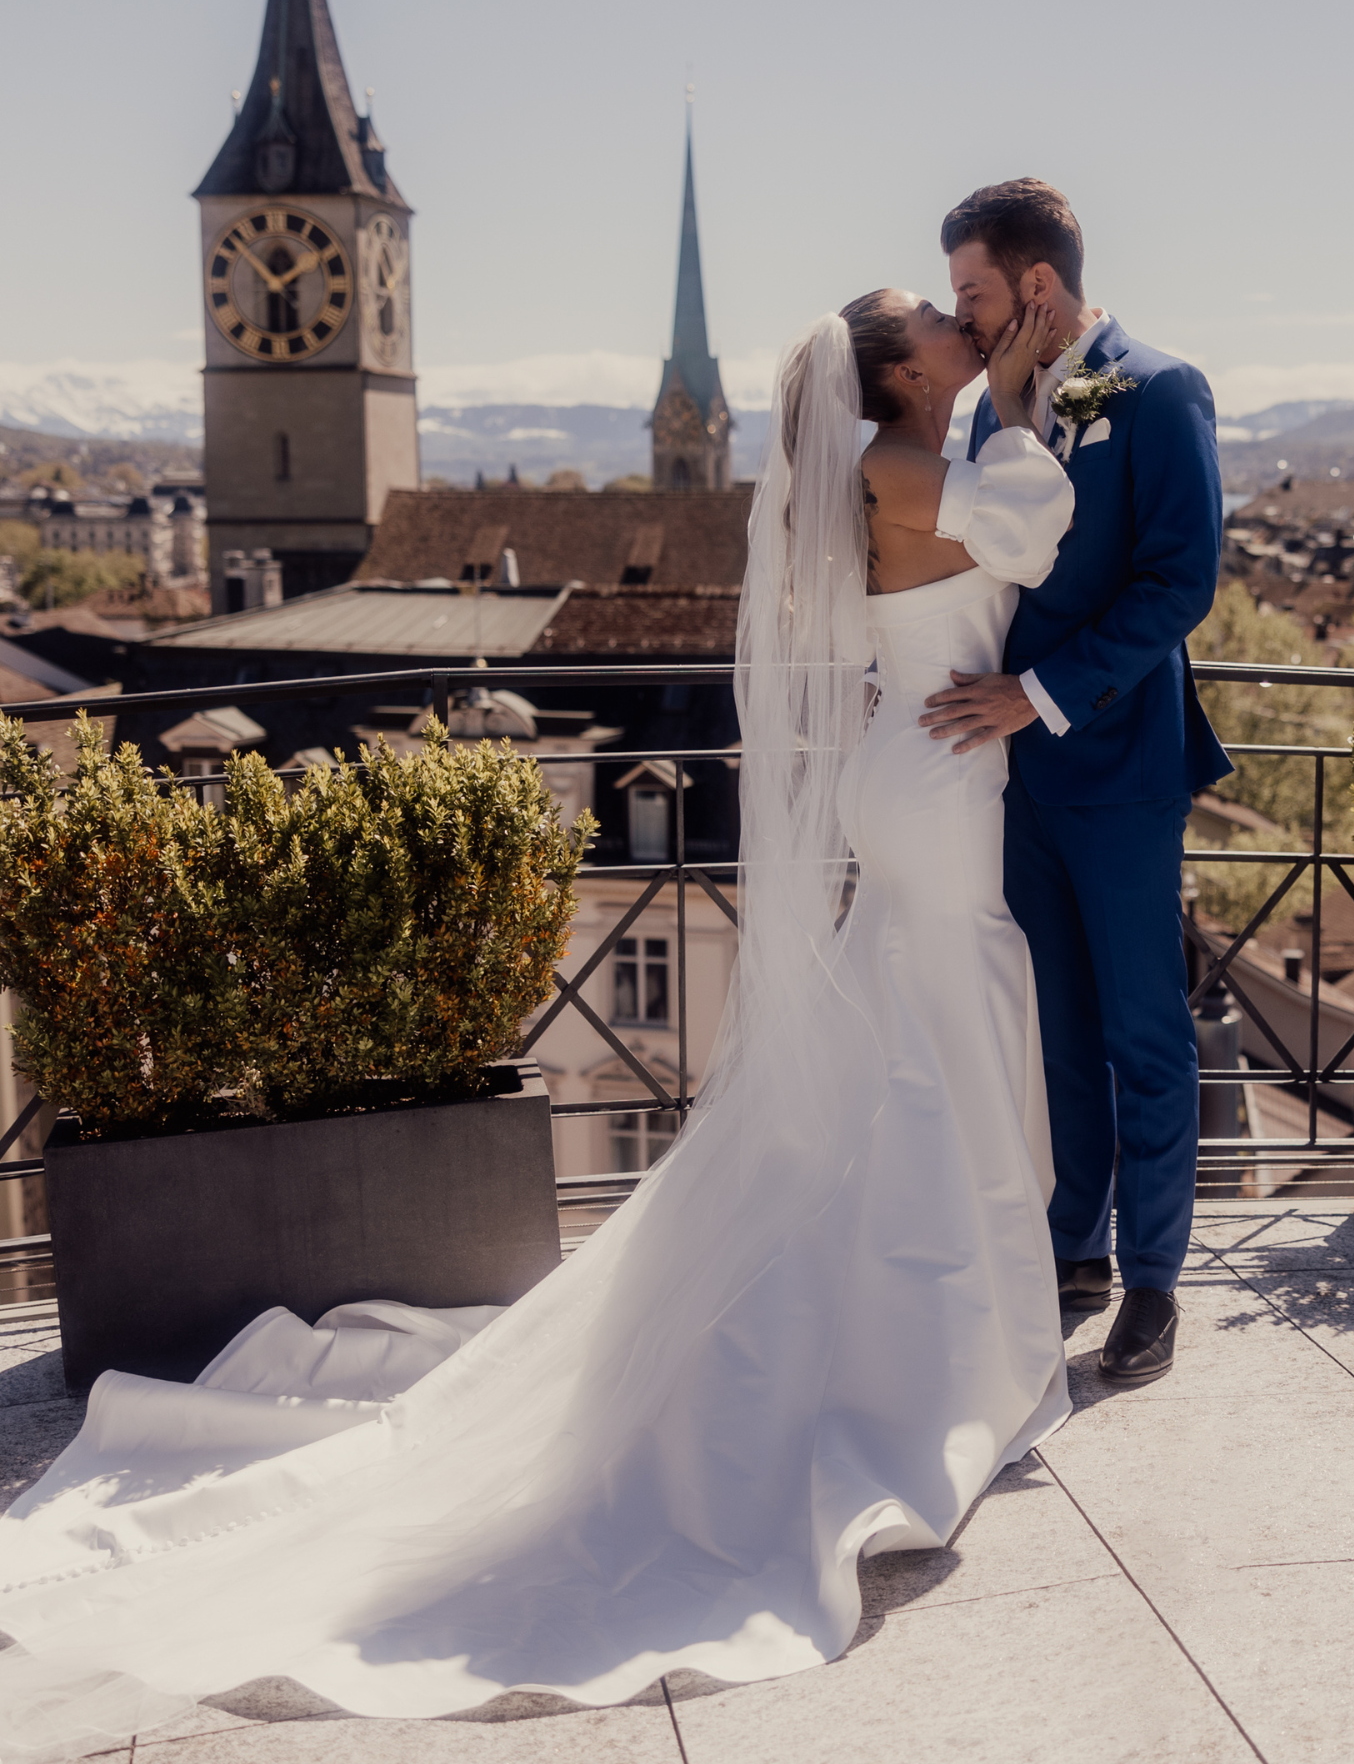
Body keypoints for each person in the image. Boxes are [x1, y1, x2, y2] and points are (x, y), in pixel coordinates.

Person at [0, 299, 1075, 1759]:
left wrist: (1004, 403)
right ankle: (941, 1360)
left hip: (926, 762)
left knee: (921, 1041)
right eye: (942, 320)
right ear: (893, 370)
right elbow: (1033, 534)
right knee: (939, 1033)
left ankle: (943, 1344)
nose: (963, 324)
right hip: (936, 781)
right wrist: (1022, 399)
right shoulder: (897, 460)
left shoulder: (895, 459)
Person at [921, 179, 1230, 1387]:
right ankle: (1072, 1248)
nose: (961, 312)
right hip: (1010, 777)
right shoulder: (988, 409)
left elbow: (1177, 581)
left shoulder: (1160, 389)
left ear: (1036, 285)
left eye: (972, 290)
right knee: (1056, 1031)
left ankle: (1152, 1281)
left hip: (1119, 764)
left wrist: (1039, 693)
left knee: (1143, 1030)